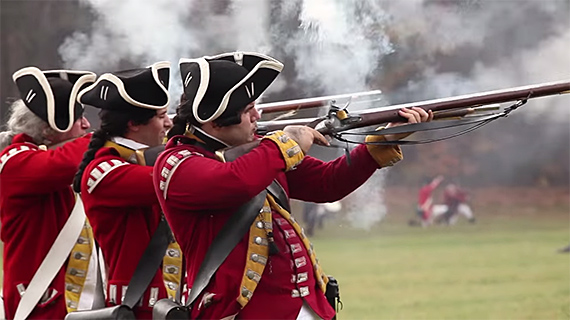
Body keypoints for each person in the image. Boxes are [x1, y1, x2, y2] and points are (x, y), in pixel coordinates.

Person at [152, 51, 433, 319]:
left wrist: (381, 143)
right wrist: (285, 143)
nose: (257, 117)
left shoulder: (259, 152)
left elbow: (327, 183)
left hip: (305, 308)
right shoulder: (177, 163)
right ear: (214, 122)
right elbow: (235, 182)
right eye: (248, 110)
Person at [72, 62, 182, 319]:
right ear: (133, 123)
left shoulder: (143, 158)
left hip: (170, 304)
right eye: (160, 116)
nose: (168, 122)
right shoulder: (105, 170)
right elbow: (182, 182)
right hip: (140, 308)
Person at [0, 67, 97, 319]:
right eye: (78, 117)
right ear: (48, 128)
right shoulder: (15, 161)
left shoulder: (41, 157)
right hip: (39, 299)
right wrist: (111, 134)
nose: (86, 124)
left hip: (70, 297)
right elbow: (65, 163)